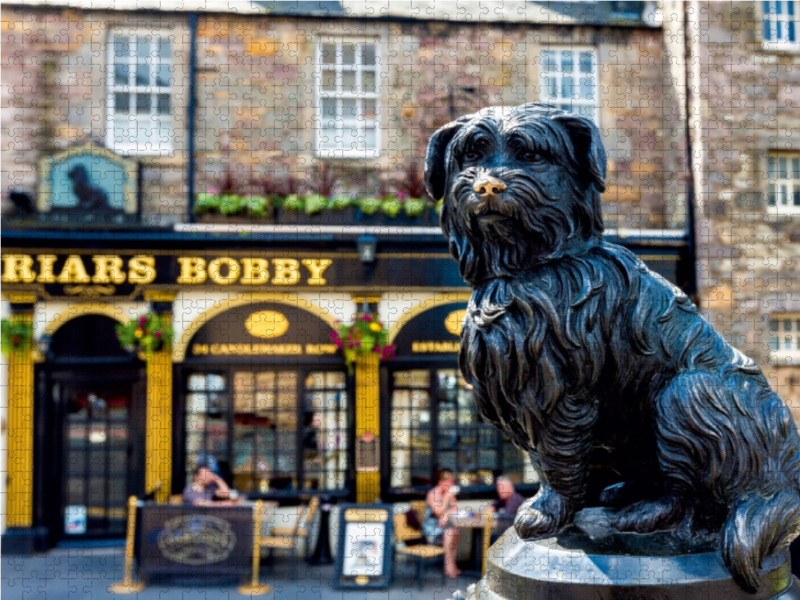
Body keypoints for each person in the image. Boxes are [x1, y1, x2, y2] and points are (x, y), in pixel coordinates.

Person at [423, 470, 461, 578]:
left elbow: (456, 508)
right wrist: (446, 498)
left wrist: (446, 515)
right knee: (450, 532)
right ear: (441, 482)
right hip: (431, 529)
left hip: (443, 526)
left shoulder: (449, 493)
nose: (452, 485)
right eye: (450, 483)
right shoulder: (432, 494)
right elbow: (439, 511)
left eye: (452, 483)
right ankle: (448, 566)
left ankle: (452, 563)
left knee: (456, 531)